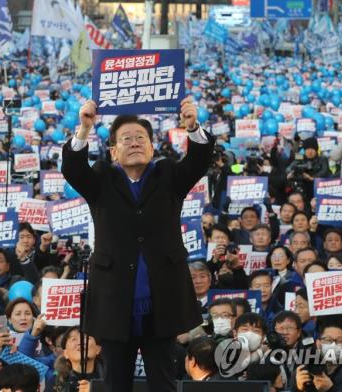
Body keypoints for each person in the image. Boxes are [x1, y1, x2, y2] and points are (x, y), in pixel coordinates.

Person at [61, 97, 214, 392]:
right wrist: (84, 128)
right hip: (114, 302)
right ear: (113, 150)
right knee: (115, 383)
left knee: (163, 383)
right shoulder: (102, 178)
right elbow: (73, 169)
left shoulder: (168, 174)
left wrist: (192, 126)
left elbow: (198, 161)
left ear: (152, 147)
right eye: (126, 139)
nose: (134, 143)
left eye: (140, 138)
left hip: (162, 298)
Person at [295, 322, 342, 392]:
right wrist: (299, 389)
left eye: (339, 341)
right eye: (328, 340)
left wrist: (330, 389)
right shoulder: (305, 370)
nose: (333, 345)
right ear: (318, 344)